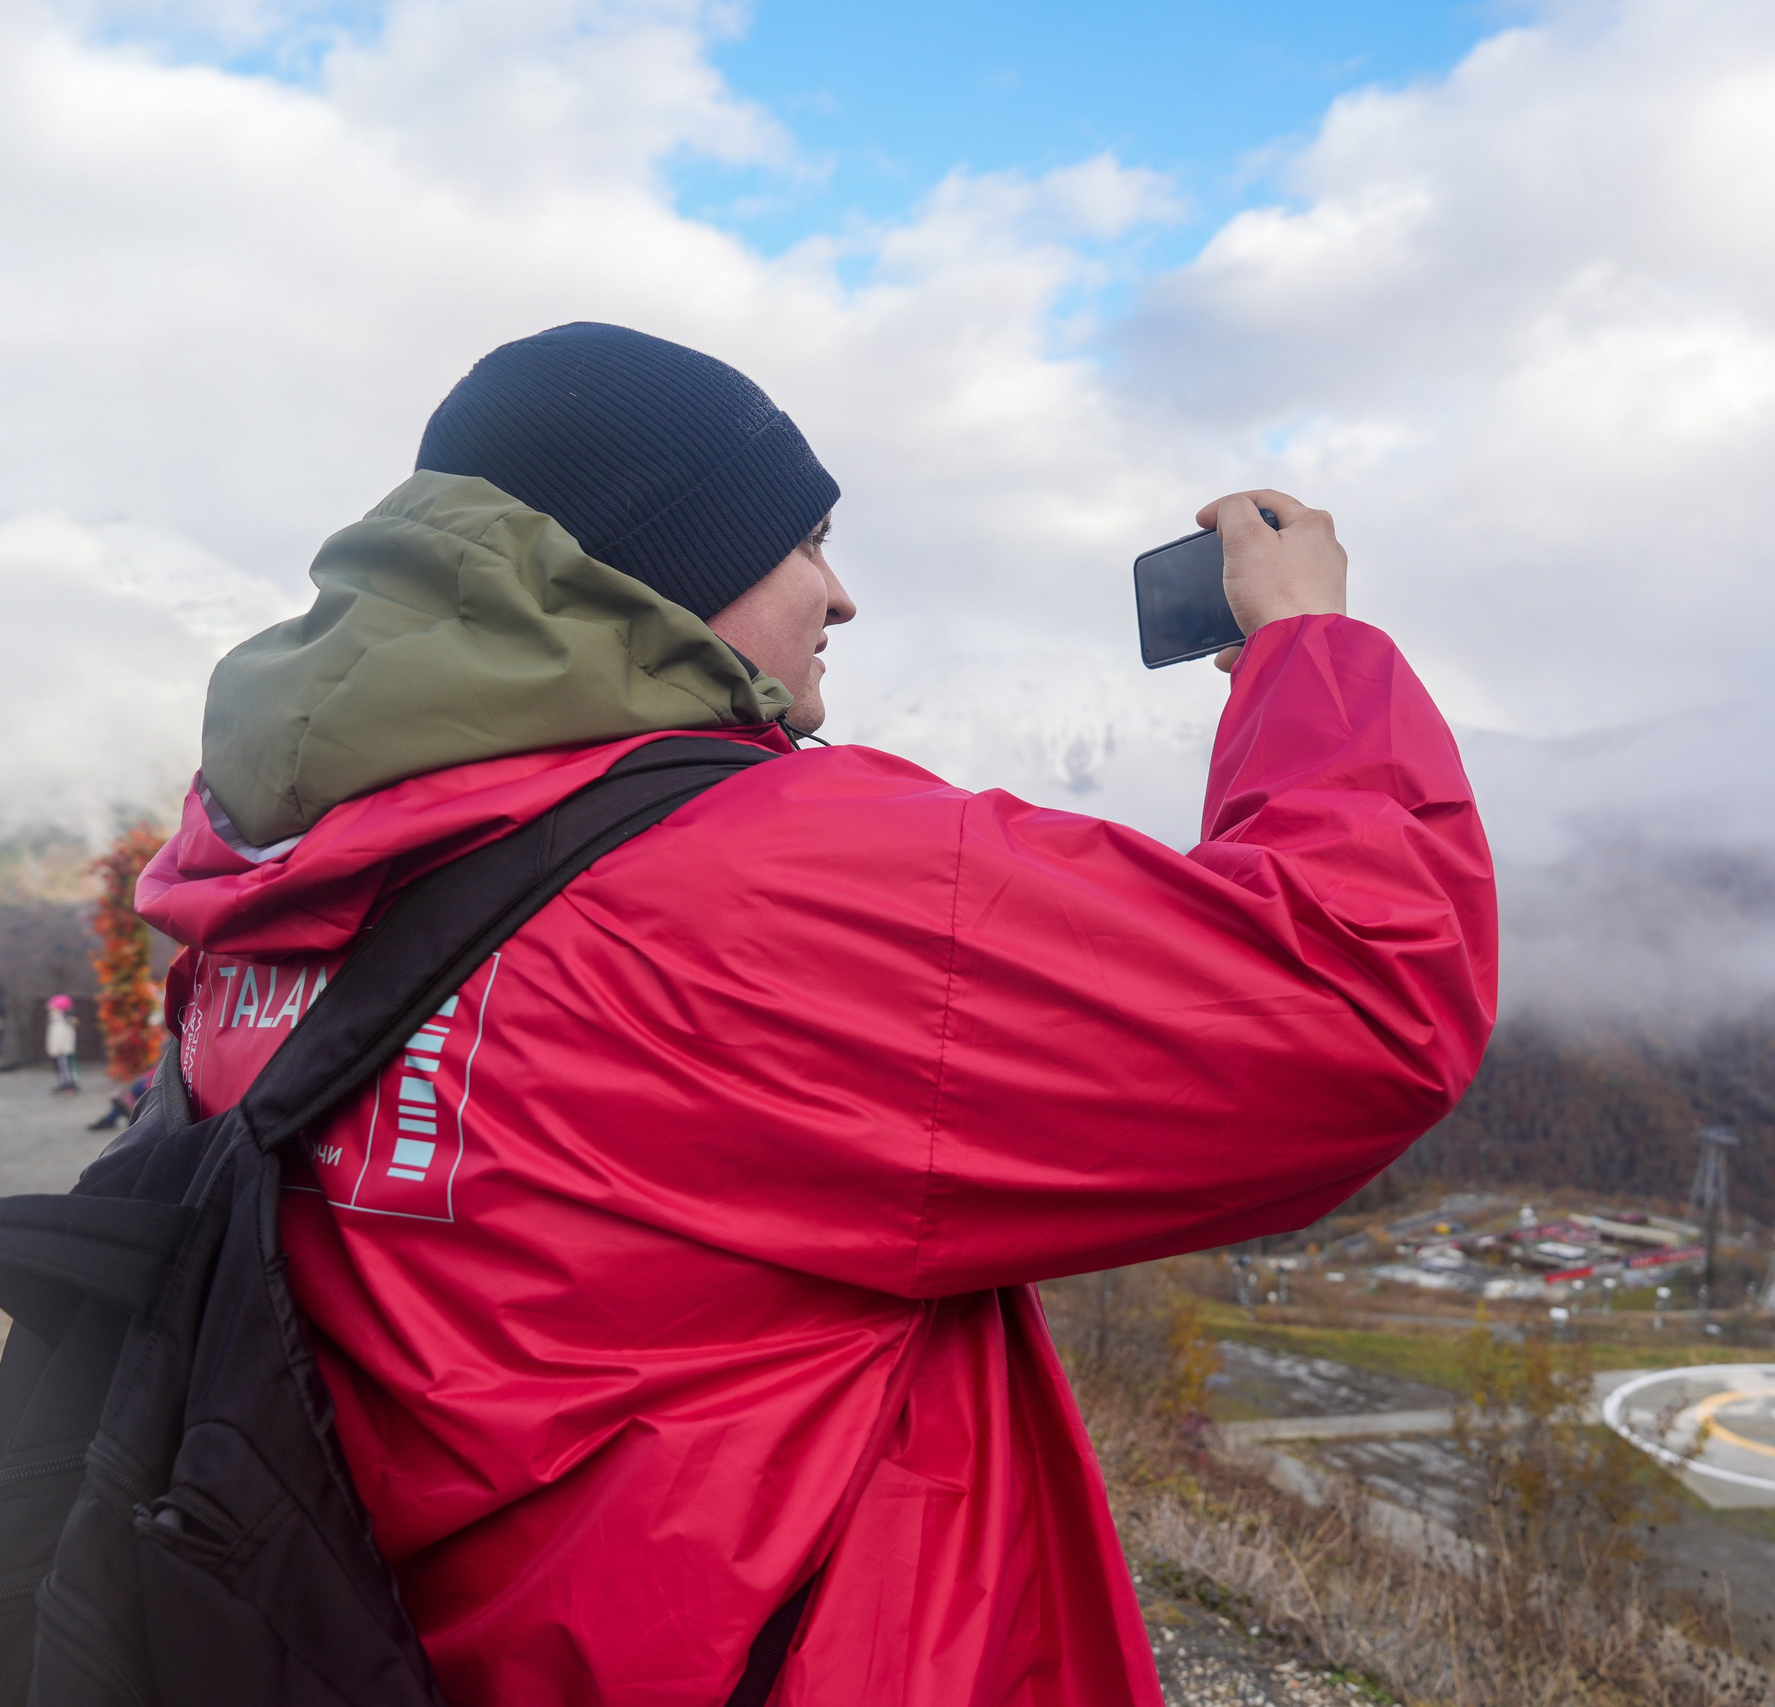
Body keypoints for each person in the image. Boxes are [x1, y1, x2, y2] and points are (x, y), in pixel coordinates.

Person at [136, 322, 1496, 1706]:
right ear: (661, 573)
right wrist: (1311, 649)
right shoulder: (753, 879)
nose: (839, 598)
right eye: (803, 544)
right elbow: (1355, 1002)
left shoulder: (264, 872)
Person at [44, 994, 79, 1094]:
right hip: (59, 1049)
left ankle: (67, 1084)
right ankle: (65, 1083)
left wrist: (57, 1048)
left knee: (64, 1067)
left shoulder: (62, 1019)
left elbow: (60, 1035)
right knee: (60, 1067)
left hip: (62, 1049)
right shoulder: (55, 1019)